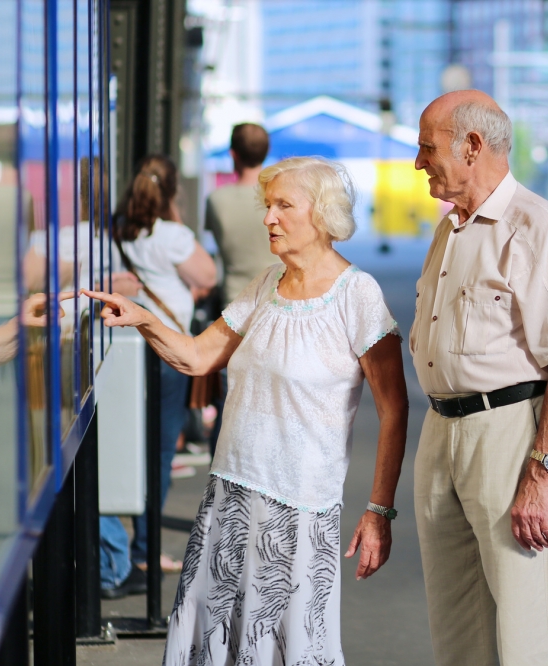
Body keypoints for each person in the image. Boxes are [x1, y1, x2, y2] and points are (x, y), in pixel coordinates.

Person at [84, 156, 408, 664]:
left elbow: (394, 409)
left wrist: (378, 511)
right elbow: (196, 357)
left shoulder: (357, 295)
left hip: (297, 509)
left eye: (283, 205)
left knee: (289, 647)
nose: (268, 218)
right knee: (217, 644)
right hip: (229, 497)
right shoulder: (265, 284)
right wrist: (143, 318)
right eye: (268, 205)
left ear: (321, 215)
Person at [410, 91, 548, 666]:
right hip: (441, 435)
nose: (419, 162)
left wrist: (542, 474)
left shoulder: (537, 227)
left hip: (508, 438)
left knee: (524, 631)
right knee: (457, 628)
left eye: (427, 147)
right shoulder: (451, 231)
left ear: (472, 146)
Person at [102, 154, 218, 592]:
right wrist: (175, 218)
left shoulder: (114, 228)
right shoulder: (172, 234)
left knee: (121, 443)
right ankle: (146, 549)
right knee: (159, 448)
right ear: (171, 194)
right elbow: (207, 274)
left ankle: (125, 545)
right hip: (167, 349)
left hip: (125, 348)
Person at [205, 122, 276, 308]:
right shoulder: (280, 198)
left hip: (234, 300)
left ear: (233, 154)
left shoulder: (216, 199)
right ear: (266, 152)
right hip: (278, 295)